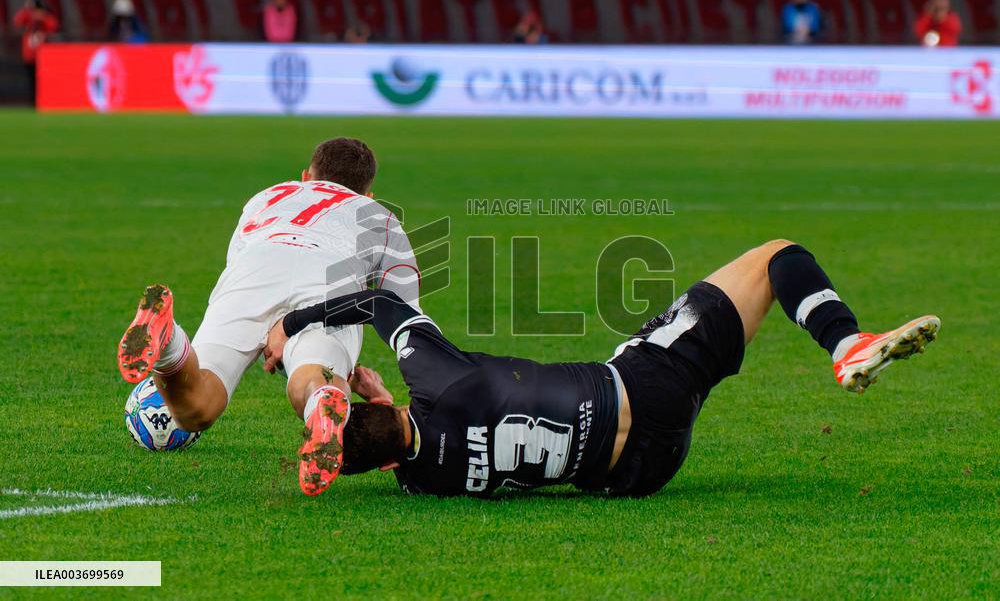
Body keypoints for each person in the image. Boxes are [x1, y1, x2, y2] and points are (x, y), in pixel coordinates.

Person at [263, 239, 939, 497]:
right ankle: (846, 343)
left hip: (641, 473)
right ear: (374, 411)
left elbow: (402, 445)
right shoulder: (439, 380)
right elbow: (379, 300)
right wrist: (292, 325)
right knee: (778, 258)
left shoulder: (425, 481)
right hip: (644, 386)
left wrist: (378, 414)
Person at [116, 138, 420, 496]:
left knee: (197, 408)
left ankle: (167, 342)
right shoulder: (379, 216)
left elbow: (239, 259)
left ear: (306, 176)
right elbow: (401, 313)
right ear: (368, 195)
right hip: (327, 280)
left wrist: (268, 326)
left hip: (253, 272)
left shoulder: (267, 196)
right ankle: (322, 397)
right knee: (315, 375)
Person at [13, 0, 59, 99]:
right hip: (30, 57)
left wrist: (42, 17)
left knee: (44, 81)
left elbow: (54, 25)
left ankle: (45, 100)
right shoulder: (29, 20)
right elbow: (17, 21)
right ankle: (33, 101)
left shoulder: (46, 21)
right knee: (32, 80)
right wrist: (27, 9)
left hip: (44, 58)